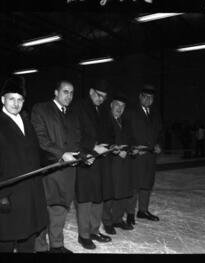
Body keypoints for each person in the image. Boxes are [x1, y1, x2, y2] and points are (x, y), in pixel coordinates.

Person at [0, 76, 48, 252]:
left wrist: (61, 157)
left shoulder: (27, 124)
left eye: (20, 100)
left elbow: (37, 155)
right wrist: (1, 195)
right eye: (11, 99)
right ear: (3, 99)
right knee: (7, 244)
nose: (16, 104)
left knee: (28, 241)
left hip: (30, 196)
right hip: (10, 197)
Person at [31, 80, 80, 253]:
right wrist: (60, 154)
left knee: (60, 208)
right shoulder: (41, 109)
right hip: (48, 169)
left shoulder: (73, 114)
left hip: (67, 171)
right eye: (65, 91)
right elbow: (41, 138)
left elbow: (77, 140)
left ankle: (57, 245)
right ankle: (40, 247)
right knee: (45, 208)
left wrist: (84, 155)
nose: (69, 96)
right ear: (56, 92)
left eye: (72, 93)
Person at [74, 81, 113, 250]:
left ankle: (94, 230)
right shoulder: (79, 107)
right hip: (86, 159)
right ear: (91, 91)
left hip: (100, 160)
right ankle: (83, 235)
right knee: (85, 198)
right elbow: (75, 133)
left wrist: (108, 144)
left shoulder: (102, 109)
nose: (101, 99)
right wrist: (91, 146)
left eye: (104, 97)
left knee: (98, 196)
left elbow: (108, 131)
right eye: (98, 95)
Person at [127, 84, 162, 226]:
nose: (148, 100)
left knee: (147, 183)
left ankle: (143, 210)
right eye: (145, 97)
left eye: (151, 97)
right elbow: (126, 133)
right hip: (137, 155)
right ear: (140, 97)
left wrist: (160, 144)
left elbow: (160, 133)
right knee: (134, 185)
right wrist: (132, 148)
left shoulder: (155, 114)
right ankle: (130, 213)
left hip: (151, 156)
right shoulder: (131, 112)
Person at [102, 94, 134, 235]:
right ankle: (107, 222)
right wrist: (114, 149)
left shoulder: (125, 122)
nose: (119, 108)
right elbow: (101, 139)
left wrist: (131, 149)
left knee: (121, 192)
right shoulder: (103, 120)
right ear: (111, 105)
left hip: (124, 163)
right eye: (117, 105)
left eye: (122, 106)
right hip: (110, 163)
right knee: (109, 194)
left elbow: (130, 139)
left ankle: (117, 219)